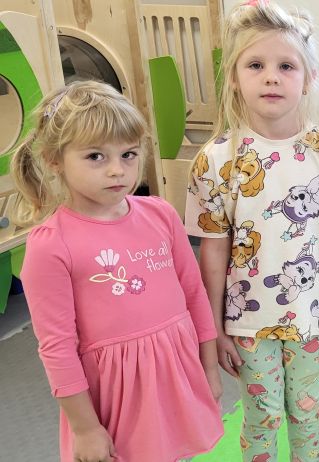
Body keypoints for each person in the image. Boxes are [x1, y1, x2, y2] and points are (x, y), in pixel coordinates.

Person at [186, 3, 319, 461]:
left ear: (308, 78)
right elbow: (213, 250)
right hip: (247, 320)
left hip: (312, 315)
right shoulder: (216, 159)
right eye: (255, 65)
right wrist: (215, 328)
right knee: (262, 417)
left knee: (307, 416)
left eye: (286, 66)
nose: (271, 77)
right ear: (234, 77)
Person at [17, 80, 224, 462]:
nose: (117, 170)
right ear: (54, 159)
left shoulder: (161, 214)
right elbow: (57, 347)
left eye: (128, 154)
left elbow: (194, 294)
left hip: (176, 376)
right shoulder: (51, 245)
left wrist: (208, 369)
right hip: (116, 397)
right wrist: (85, 428)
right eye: (96, 156)